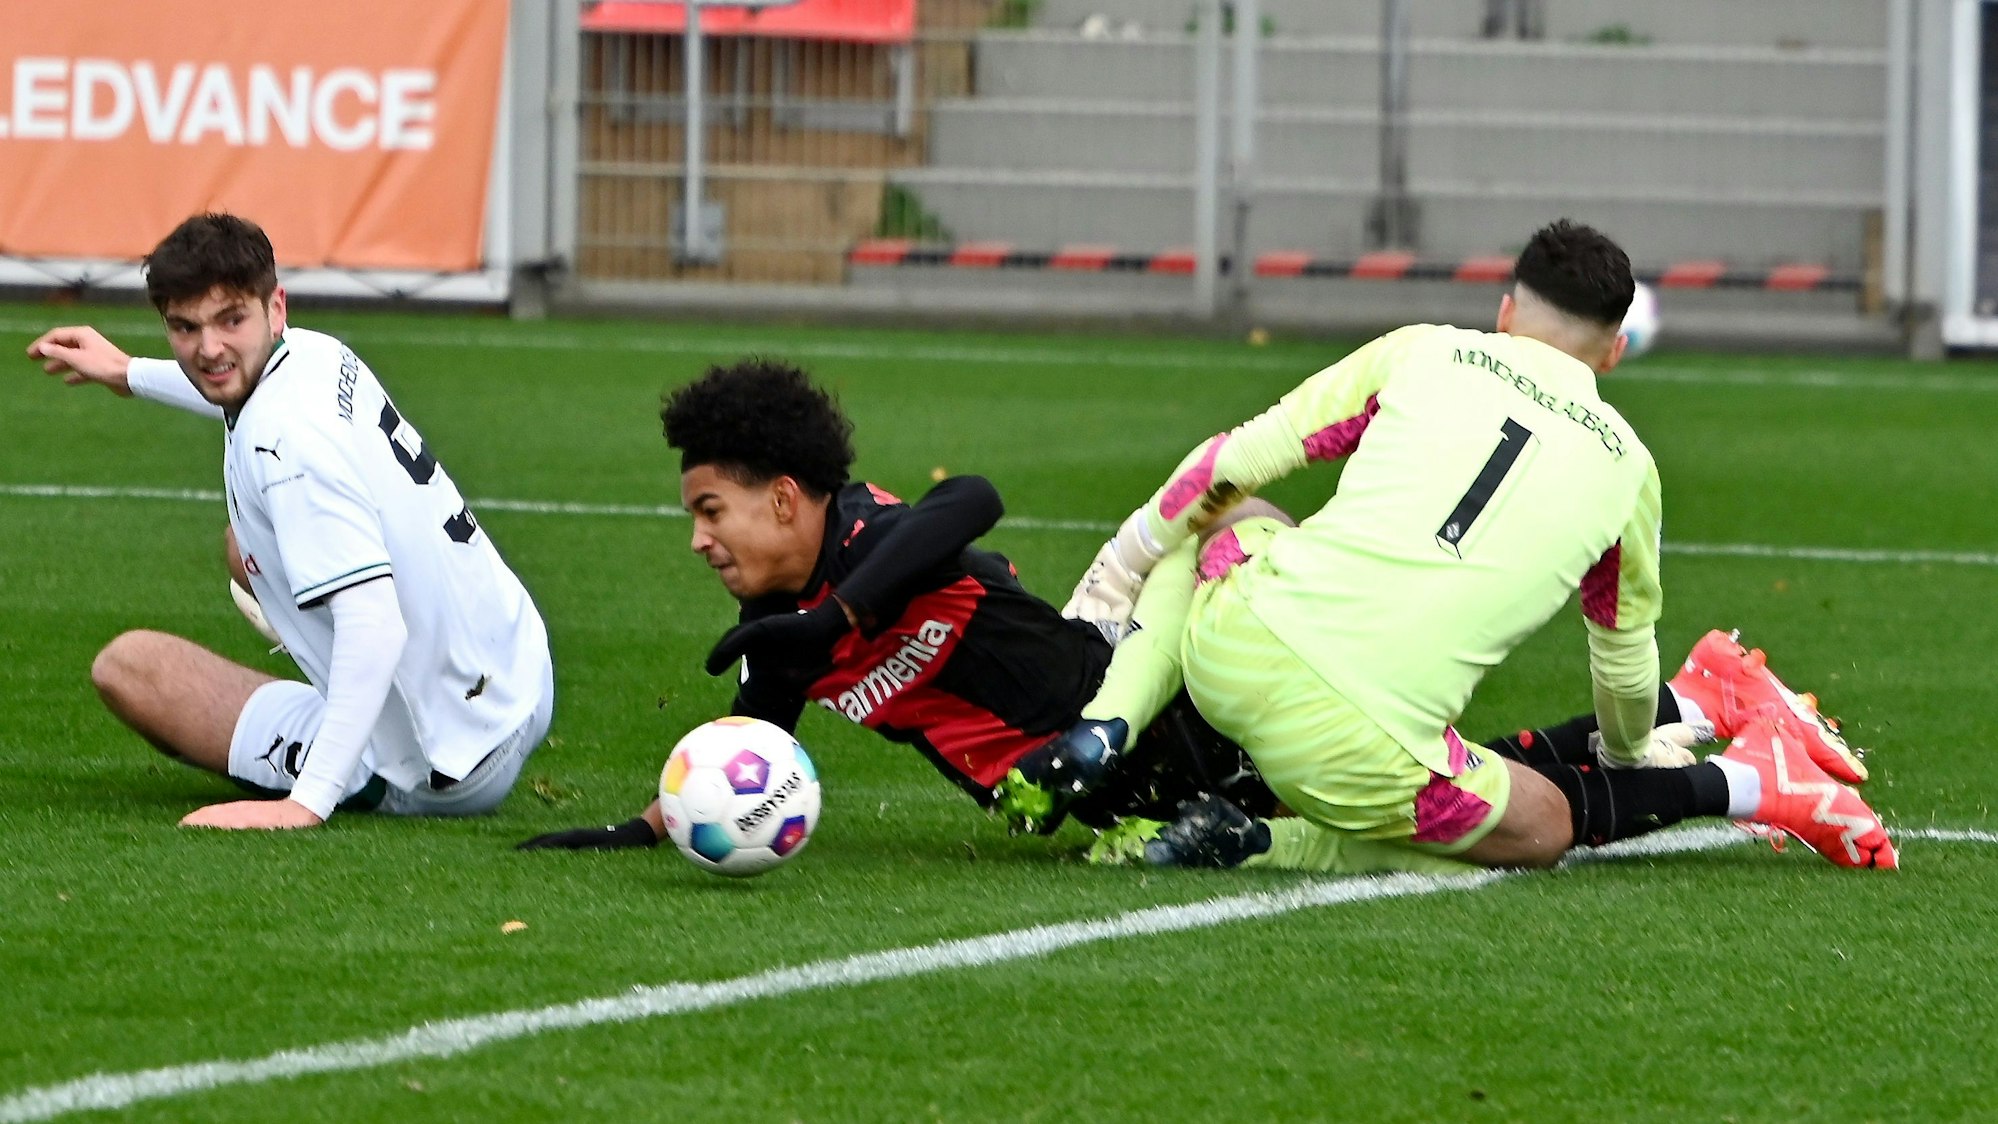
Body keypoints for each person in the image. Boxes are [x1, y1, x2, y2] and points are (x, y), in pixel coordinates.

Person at [1048, 219, 1895, 872]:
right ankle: (1746, 782)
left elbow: (1228, 462)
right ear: (1615, 352)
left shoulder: (1422, 350)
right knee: (1545, 822)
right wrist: (1631, 763)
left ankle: (1107, 720)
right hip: (1357, 755)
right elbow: (1621, 660)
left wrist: (1119, 569)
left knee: (1231, 512)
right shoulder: (1630, 469)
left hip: (1224, 654)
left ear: (1504, 311)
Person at [517, 358, 1278, 858]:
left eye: (711, 511)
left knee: (1233, 511)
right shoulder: (782, 630)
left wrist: (839, 615)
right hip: (1085, 785)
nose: (698, 540)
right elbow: (748, 742)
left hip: (1142, 692)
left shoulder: (866, 536)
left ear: (784, 499)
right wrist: (642, 830)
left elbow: (970, 497)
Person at [26, 212, 553, 829]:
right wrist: (127, 373)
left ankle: (360, 754)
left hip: (449, 764)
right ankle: (322, 646)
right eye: (184, 327)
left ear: (274, 306)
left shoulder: (286, 451)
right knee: (243, 543)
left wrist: (307, 802)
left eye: (230, 320)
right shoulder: (317, 353)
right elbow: (228, 377)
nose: (209, 347)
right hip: (522, 679)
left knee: (130, 667)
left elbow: (375, 625)